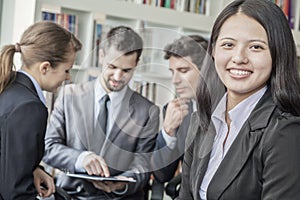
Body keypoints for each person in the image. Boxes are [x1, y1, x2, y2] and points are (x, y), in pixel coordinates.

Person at [177, 0, 300, 199]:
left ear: (277, 54)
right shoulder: (201, 121)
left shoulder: (286, 132)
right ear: (214, 51)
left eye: (256, 47)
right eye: (228, 44)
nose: (239, 57)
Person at [43, 25, 160, 199]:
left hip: (119, 197)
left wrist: (122, 184)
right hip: (72, 194)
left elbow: (143, 165)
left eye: (126, 70)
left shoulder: (148, 111)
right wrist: (80, 159)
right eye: (112, 66)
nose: (118, 76)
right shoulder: (70, 95)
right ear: (101, 56)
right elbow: (49, 147)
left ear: (137, 64)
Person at [0, 21, 82, 199]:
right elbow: (16, 193)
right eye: (66, 70)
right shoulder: (30, 107)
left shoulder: (8, 87)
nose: (68, 78)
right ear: (45, 67)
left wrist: (34, 169)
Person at [151, 35, 208, 185]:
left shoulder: (229, 108)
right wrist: (168, 131)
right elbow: (161, 175)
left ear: (207, 70)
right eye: (172, 72)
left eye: (183, 70)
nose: (174, 80)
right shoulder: (175, 111)